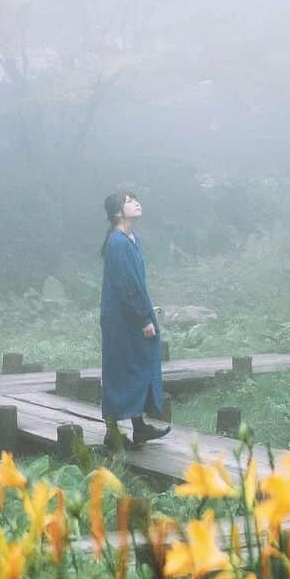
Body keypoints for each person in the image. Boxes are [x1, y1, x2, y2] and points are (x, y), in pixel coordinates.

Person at [99, 190, 171, 449]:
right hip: (123, 319)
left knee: (139, 365)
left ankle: (139, 427)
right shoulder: (117, 242)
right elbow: (127, 285)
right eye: (129, 201)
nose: (136, 203)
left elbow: (136, 282)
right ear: (118, 212)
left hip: (133, 312)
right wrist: (143, 318)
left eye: (135, 199)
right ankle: (112, 433)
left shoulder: (131, 238)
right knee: (122, 368)